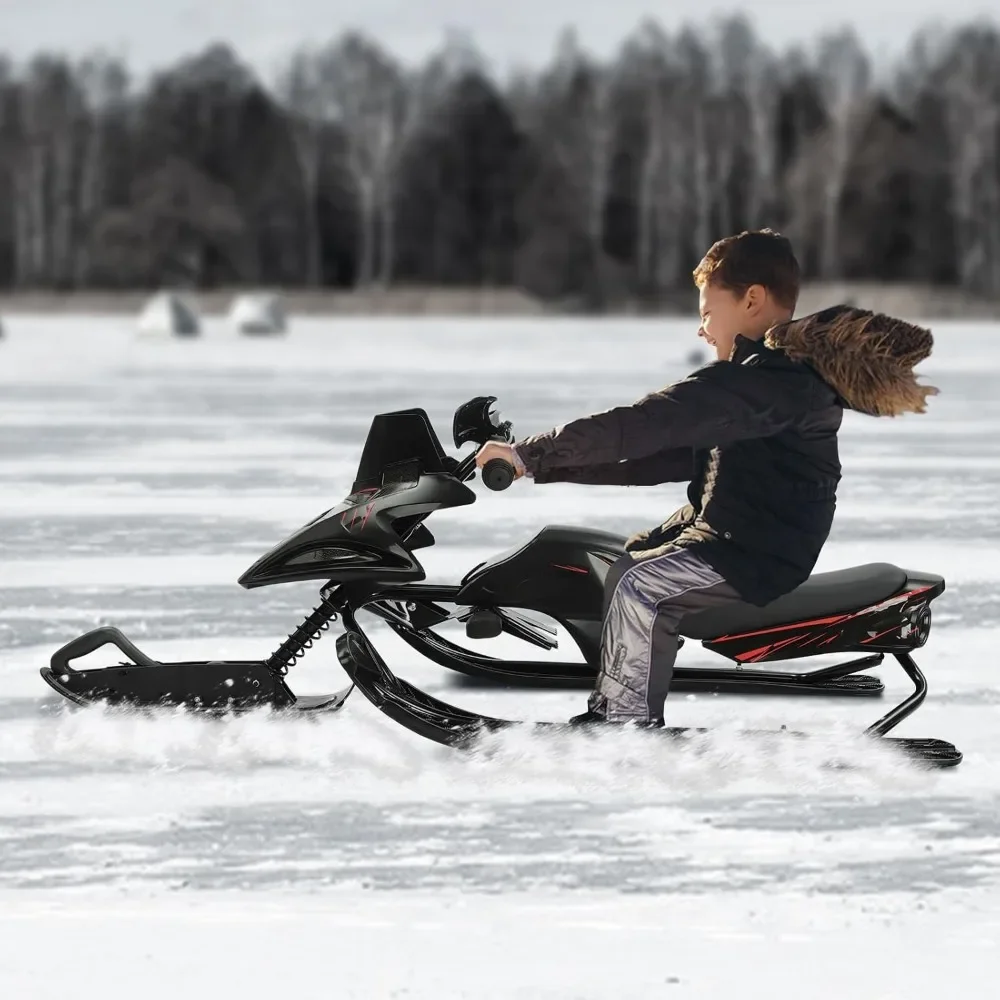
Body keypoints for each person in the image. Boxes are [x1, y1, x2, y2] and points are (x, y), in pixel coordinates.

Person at [474, 228, 937, 726]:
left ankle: (623, 728)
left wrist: (530, 453)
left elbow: (647, 423)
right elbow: (654, 456)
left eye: (707, 314)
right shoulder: (762, 385)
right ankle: (621, 684)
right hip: (737, 538)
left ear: (752, 300)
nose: (703, 330)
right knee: (616, 561)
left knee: (639, 587)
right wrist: (538, 466)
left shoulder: (767, 386)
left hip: (752, 555)